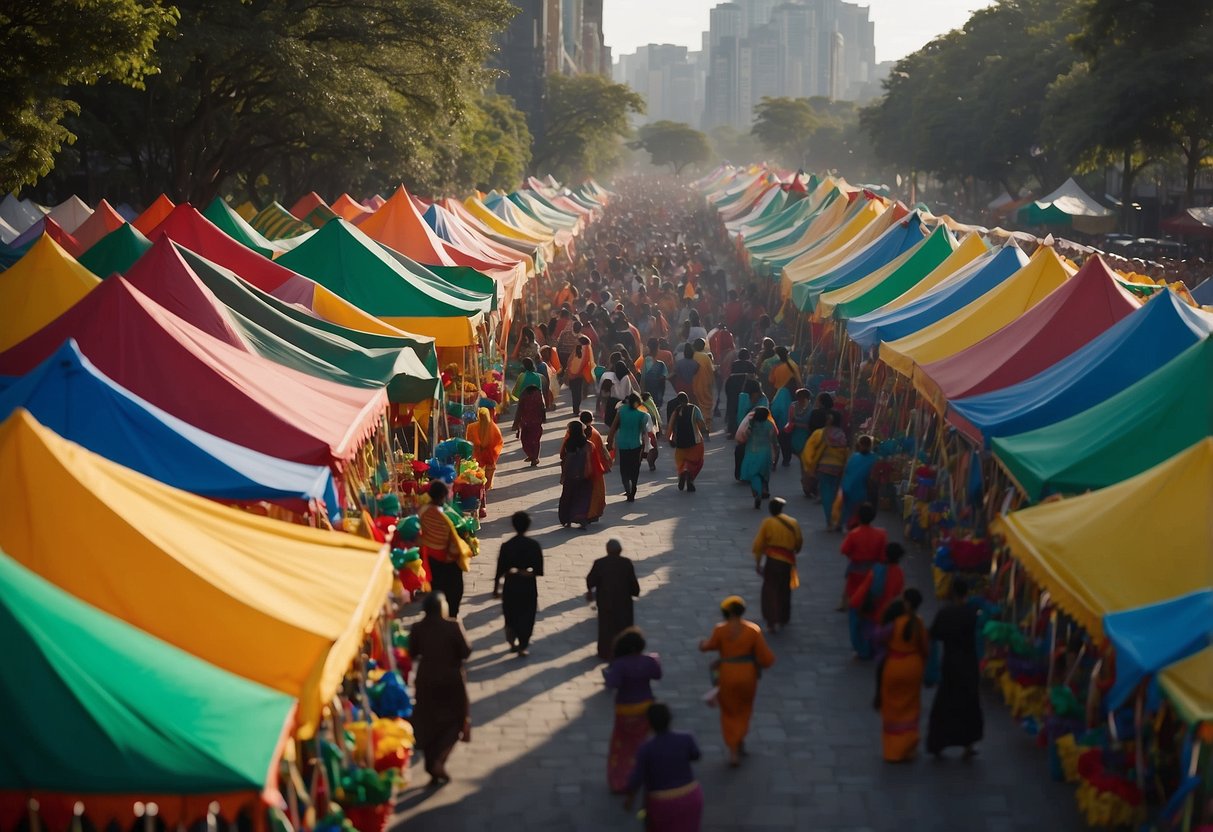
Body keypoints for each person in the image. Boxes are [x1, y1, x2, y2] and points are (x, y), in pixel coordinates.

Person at [699, 596, 775, 767]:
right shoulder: (752, 630)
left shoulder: (720, 630)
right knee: (744, 708)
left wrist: (701, 645)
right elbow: (765, 657)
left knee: (729, 711)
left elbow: (709, 646)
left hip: (727, 674)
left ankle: (733, 750)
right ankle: (739, 739)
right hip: (748, 674)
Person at [408, 592, 472, 786]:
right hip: (451, 679)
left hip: (426, 679)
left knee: (428, 720)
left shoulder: (418, 627)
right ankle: (439, 761)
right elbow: (466, 652)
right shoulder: (452, 625)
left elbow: (412, 652)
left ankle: (432, 766)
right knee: (455, 721)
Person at [926, 578, 984, 759]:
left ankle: (938, 743)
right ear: (967, 592)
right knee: (969, 704)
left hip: (950, 663)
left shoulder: (945, 613)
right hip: (969, 663)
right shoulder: (973, 613)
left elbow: (933, 635)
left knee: (945, 703)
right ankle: (968, 744)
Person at [624, 704, 703, 831]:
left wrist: (630, 798)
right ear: (670, 719)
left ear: (649, 723)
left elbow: (636, 779)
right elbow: (696, 755)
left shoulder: (646, 748)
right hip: (691, 796)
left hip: (662, 803)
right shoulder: (686, 738)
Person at [604, 628, 663, 793]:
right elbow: (658, 675)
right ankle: (642, 775)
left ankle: (620, 780)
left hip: (625, 710)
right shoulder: (648, 661)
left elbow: (612, 684)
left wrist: (607, 675)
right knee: (641, 742)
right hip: (645, 708)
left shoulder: (620, 664)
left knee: (622, 746)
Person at [875, 589, 928, 763]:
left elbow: (878, 637)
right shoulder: (919, 624)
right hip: (914, 667)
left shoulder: (895, 624)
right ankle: (908, 745)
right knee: (911, 706)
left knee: (892, 707)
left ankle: (893, 749)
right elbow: (926, 648)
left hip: (894, 666)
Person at [492, 511, 544, 656]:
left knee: (511, 613)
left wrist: (496, 588)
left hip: (511, 584)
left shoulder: (507, 545)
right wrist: (527, 572)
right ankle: (523, 645)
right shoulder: (534, 545)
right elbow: (539, 570)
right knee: (527, 615)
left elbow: (499, 569)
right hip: (528, 584)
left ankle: (511, 639)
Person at [417, 480, 472, 617]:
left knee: (437, 588)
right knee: (454, 591)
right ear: (442, 496)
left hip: (431, 559)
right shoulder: (446, 514)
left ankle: (438, 614)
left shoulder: (423, 511)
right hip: (449, 560)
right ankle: (451, 616)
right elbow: (459, 531)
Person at [751, 498, 803, 633]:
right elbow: (798, 543)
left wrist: (758, 562)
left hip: (772, 561)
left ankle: (771, 620)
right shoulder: (793, 522)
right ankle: (783, 617)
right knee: (784, 589)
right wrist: (794, 551)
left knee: (770, 590)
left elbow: (758, 545)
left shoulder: (767, 523)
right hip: (787, 561)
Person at [848, 541, 906, 660]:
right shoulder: (899, 572)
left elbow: (865, 588)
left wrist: (855, 603)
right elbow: (898, 592)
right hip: (887, 609)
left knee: (863, 629)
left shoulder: (878, 569)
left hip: (872, 607)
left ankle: (863, 652)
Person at [586, 539, 641, 660]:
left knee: (606, 628)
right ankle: (623, 652)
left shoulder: (600, 563)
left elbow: (591, 580)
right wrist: (635, 592)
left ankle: (605, 652)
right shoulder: (626, 563)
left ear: (607, 550)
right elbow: (633, 584)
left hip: (606, 602)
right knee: (623, 628)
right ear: (620, 550)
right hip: (624, 603)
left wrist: (590, 591)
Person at [801, 411, 848, 527]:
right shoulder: (842, 435)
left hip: (824, 468)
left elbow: (808, 450)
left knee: (826, 495)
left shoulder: (820, 433)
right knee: (835, 493)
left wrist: (809, 466)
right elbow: (845, 452)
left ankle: (830, 519)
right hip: (838, 468)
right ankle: (838, 518)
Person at [839, 502, 888, 612]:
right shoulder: (881, 534)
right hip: (873, 569)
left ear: (859, 517)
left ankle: (846, 605)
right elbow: (883, 554)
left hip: (856, 569)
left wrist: (853, 555)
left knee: (852, 592)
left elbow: (844, 550)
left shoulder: (854, 534)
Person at [606, 393, 653, 502]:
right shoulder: (642, 415)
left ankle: (628, 489)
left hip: (622, 444)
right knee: (635, 468)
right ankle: (634, 487)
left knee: (624, 468)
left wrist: (609, 441)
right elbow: (644, 432)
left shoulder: (621, 410)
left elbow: (613, 427)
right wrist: (646, 447)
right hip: (636, 444)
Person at [736, 405, 778, 509]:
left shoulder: (752, 424)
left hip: (752, 453)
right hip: (766, 454)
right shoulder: (770, 425)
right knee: (763, 474)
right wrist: (776, 454)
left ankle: (757, 492)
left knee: (754, 475)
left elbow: (745, 436)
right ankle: (763, 490)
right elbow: (774, 441)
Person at [465, 407, 503, 518]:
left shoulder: (473, 427)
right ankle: (482, 504)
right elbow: (499, 442)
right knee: (482, 482)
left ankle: (482, 502)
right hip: (484, 458)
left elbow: (469, 441)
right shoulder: (492, 428)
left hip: (482, 458)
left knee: (481, 481)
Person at [666, 392, 708, 492]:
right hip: (695, 442)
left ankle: (682, 473)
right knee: (696, 461)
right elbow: (701, 424)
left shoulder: (676, 411)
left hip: (680, 443)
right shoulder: (694, 409)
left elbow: (670, 427)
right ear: (688, 399)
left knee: (681, 462)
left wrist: (670, 439)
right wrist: (705, 431)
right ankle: (690, 477)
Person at [558, 420, 595, 528]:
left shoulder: (568, 443)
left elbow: (564, 457)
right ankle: (581, 518)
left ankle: (567, 519)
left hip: (570, 474)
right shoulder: (587, 444)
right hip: (584, 474)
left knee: (568, 496)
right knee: (582, 496)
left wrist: (563, 474)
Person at [840, 435, 878, 529]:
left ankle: (846, 523)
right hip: (861, 489)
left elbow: (846, 471)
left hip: (849, 487)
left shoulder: (854, 457)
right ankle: (855, 524)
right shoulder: (874, 458)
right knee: (858, 508)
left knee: (848, 508)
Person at [512, 385, 546, 467]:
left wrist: (516, 423)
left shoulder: (524, 394)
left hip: (526, 422)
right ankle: (534, 457)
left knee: (525, 440)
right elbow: (542, 407)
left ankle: (532, 456)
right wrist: (543, 418)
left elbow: (519, 409)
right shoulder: (538, 394)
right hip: (537, 422)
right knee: (535, 440)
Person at [565, 335, 595, 414]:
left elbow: (569, 361)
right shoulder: (587, 350)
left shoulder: (576, 350)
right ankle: (576, 409)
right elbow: (588, 363)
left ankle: (575, 409)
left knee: (574, 393)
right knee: (578, 392)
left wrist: (570, 371)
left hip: (572, 374)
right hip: (580, 375)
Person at [641, 337, 669, 407]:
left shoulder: (643, 361)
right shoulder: (661, 365)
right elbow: (663, 380)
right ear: (657, 348)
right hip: (657, 397)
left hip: (645, 396)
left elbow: (642, 378)